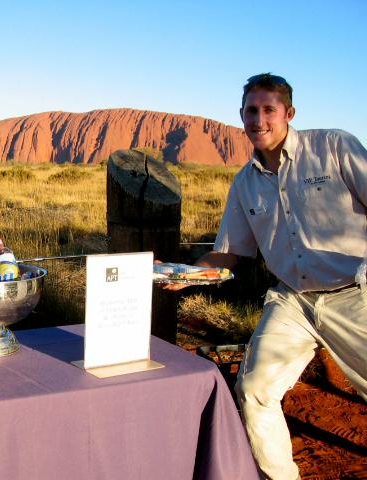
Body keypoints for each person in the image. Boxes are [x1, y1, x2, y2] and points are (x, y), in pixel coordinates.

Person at [173, 73, 367, 480]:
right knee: (256, 389)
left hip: (355, 293)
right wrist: (182, 274)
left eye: (268, 110)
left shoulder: (333, 147)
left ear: (288, 113)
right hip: (293, 300)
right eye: (250, 111)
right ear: (241, 115)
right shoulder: (244, 183)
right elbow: (230, 255)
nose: (258, 120)